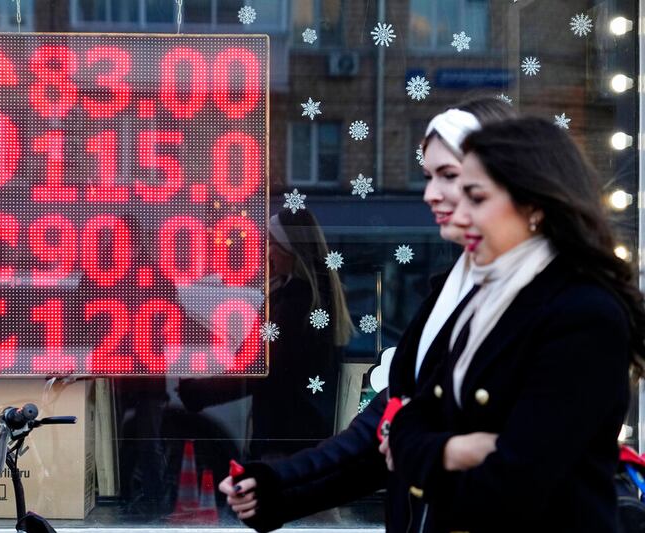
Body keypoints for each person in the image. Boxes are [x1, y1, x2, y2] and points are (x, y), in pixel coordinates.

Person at [218, 96, 516, 533]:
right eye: (429, 176)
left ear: (506, 175)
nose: (430, 194)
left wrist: (423, 448)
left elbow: (547, 454)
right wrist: (278, 489)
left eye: (448, 176)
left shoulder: (557, 299)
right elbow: (378, 432)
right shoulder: (450, 293)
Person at [389, 117, 645, 533]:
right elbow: (410, 420)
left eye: (476, 198)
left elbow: (512, 485)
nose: (460, 214)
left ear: (534, 205)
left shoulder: (582, 312)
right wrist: (457, 450)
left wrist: (428, 456)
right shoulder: (485, 299)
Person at [179, 206, 353, 460]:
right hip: (307, 433)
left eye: (271, 243)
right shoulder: (314, 299)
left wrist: (198, 392)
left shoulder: (293, 305)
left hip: (284, 437)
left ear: (289, 248)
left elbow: (260, 370)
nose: (266, 251)